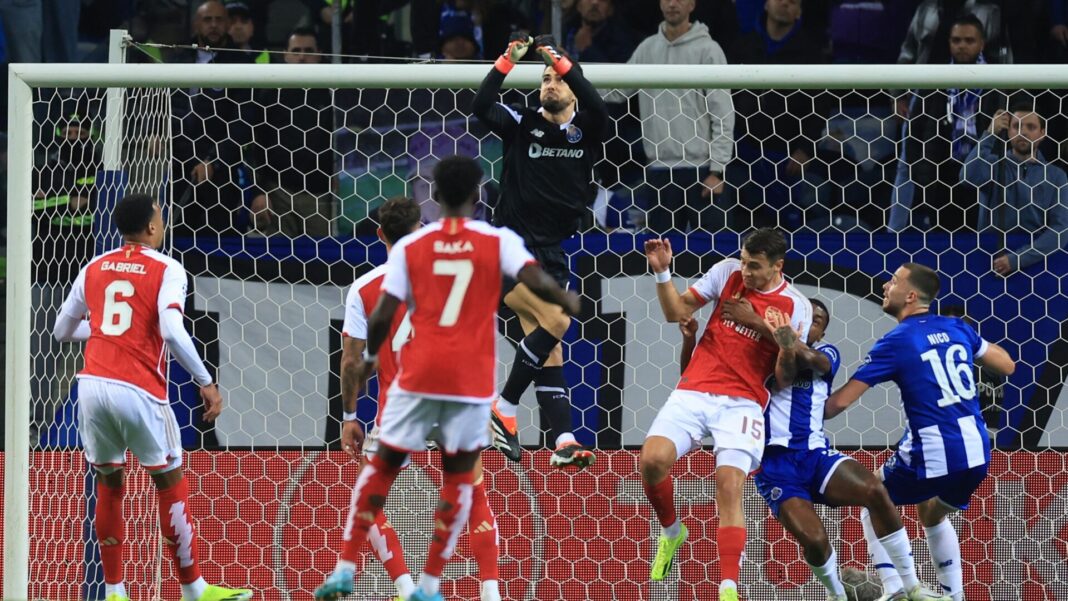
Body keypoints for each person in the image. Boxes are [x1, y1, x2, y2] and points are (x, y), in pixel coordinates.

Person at [314, 156, 581, 601]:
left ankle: (351, 568)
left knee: (376, 476)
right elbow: (535, 278)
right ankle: (476, 590)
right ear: (479, 196)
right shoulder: (495, 240)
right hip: (468, 387)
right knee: (465, 486)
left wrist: (375, 358)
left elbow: (381, 319)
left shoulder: (409, 254)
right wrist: (564, 300)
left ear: (434, 199)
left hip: (413, 385)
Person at [51, 193, 252, 601]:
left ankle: (114, 592)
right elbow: (174, 330)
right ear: (152, 227)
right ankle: (195, 589)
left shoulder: (93, 266)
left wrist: (108, 330)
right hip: (139, 389)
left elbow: (61, 331)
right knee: (169, 480)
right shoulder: (167, 268)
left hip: (90, 387)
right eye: (160, 217)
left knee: (109, 481)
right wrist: (206, 380)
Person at [700, 299, 949, 601]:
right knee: (815, 541)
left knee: (874, 489)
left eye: (818, 322)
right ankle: (837, 595)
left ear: (821, 333)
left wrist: (755, 322)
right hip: (776, 469)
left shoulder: (826, 354)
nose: (811, 324)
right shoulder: (759, 357)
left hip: (816, 456)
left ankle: (909, 587)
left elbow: (808, 358)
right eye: (807, 317)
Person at [329, 196, 502, 601]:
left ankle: (406, 588)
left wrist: (350, 414)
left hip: (402, 405)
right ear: (422, 229)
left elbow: (352, 361)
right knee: (471, 488)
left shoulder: (365, 288)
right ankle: (491, 592)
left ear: (379, 235)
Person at [826, 262, 1016, 601]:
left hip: (934, 448)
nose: (886, 285)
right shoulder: (957, 327)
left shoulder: (897, 340)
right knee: (931, 511)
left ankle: (897, 589)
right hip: (977, 450)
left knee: (873, 500)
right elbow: (1007, 364)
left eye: (894, 281)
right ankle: (954, 596)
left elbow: (839, 403)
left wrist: (796, 413)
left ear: (911, 295)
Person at [642, 228, 812, 601]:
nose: (746, 271)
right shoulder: (726, 272)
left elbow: (784, 380)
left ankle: (728, 587)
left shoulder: (796, 306)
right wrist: (662, 272)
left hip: (743, 402)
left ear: (777, 266)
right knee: (651, 461)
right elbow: (677, 311)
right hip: (694, 390)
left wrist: (766, 331)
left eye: (755, 266)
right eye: (744, 261)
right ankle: (672, 531)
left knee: (729, 485)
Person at [471, 33, 608, 468]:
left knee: (550, 347)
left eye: (557, 79)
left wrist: (564, 63)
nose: (549, 84)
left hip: (552, 251)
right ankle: (504, 407)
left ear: (572, 87)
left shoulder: (587, 131)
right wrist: (506, 62)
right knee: (557, 319)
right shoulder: (520, 123)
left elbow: (598, 105)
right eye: (544, 79)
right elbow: (480, 107)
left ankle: (564, 438)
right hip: (509, 249)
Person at [604, 0, 736, 234]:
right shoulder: (648, 48)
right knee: (661, 255)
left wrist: (718, 170)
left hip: (702, 169)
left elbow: (722, 113)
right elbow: (617, 91)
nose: (673, 4)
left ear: (692, 5)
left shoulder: (708, 49)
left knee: (710, 253)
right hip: (659, 169)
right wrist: (571, 76)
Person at [888, 13, 1007, 232]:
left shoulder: (999, 82)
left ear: (982, 43)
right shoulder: (933, 81)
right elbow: (915, 133)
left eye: (969, 41)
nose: (962, 46)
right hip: (941, 177)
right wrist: (924, 179)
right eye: (956, 40)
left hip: (984, 173)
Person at [959, 103, 1068, 275]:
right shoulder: (994, 164)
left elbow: (1061, 229)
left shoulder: (1056, 176)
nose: (1022, 132)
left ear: (1043, 133)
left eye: (1030, 127)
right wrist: (989, 134)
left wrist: (1019, 259)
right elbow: (967, 177)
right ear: (1008, 131)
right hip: (990, 259)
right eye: (1016, 126)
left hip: (1037, 263)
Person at [247, 27, 335, 237]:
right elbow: (256, 144)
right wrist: (259, 192)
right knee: (278, 261)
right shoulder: (269, 93)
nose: (302, 57)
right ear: (285, 54)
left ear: (320, 53)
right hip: (278, 193)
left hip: (321, 195)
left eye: (308, 51)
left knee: (321, 261)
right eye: (296, 51)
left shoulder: (333, 94)